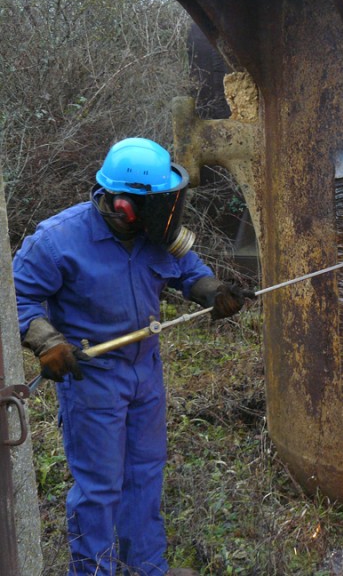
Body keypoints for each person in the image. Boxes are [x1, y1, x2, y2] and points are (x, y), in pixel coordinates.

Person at [13, 138, 254, 576]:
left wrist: (213, 293)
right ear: (124, 206)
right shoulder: (56, 241)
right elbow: (17, 298)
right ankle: (95, 571)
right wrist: (47, 341)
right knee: (100, 488)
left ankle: (143, 568)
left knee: (144, 476)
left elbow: (190, 272)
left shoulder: (156, 236)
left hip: (146, 374)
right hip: (94, 380)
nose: (168, 213)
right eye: (159, 203)